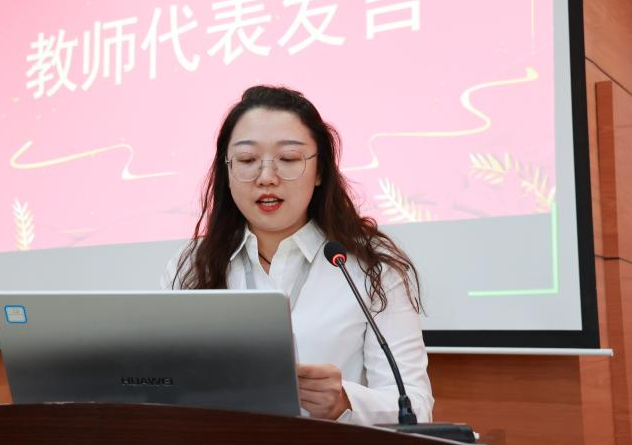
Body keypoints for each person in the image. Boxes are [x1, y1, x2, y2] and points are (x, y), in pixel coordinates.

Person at [161, 85, 433, 425]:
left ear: (319, 171)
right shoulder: (191, 265)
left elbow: (417, 408)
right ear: (227, 171)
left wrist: (345, 402)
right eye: (247, 160)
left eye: (288, 159)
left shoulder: (371, 266)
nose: (266, 178)